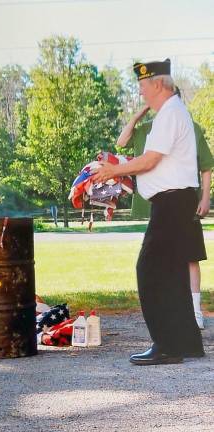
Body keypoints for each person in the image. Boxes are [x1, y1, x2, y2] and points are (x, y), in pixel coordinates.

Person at [92, 58, 204, 365]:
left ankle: (165, 345)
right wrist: (124, 169)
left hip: (171, 203)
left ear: (157, 84)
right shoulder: (172, 112)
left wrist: (113, 171)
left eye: (142, 86)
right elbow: (152, 162)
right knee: (173, 273)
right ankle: (186, 343)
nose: (141, 92)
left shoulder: (169, 113)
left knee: (149, 270)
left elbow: (151, 160)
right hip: (176, 201)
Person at [117, 96, 214, 330]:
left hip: (183, 199)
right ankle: (173, 315)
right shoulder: (147, 129)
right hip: (159, 203)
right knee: (162, 259)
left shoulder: (191, 128)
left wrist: (204, 198)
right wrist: (140, 113)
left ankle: (195, 312)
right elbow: (121, 143)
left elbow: (206, 166)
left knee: (189, 255)